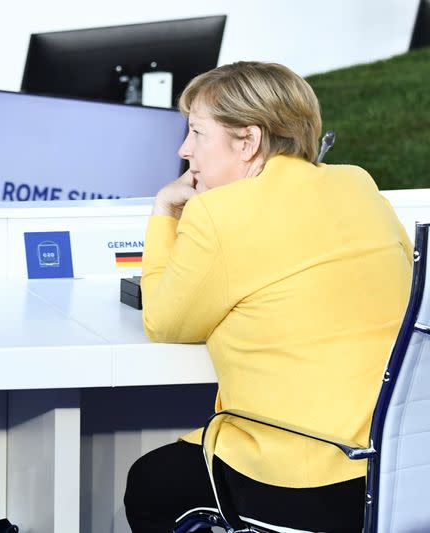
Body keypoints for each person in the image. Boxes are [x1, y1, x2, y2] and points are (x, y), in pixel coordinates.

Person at [123, 61, 413, 532]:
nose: (184, 149)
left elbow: (164, 321)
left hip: (304, 482)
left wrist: (164, 212)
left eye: (197, 133)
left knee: (152, 483)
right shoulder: (357, 183)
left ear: (249, 141)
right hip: (397, 471)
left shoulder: (219, 214)